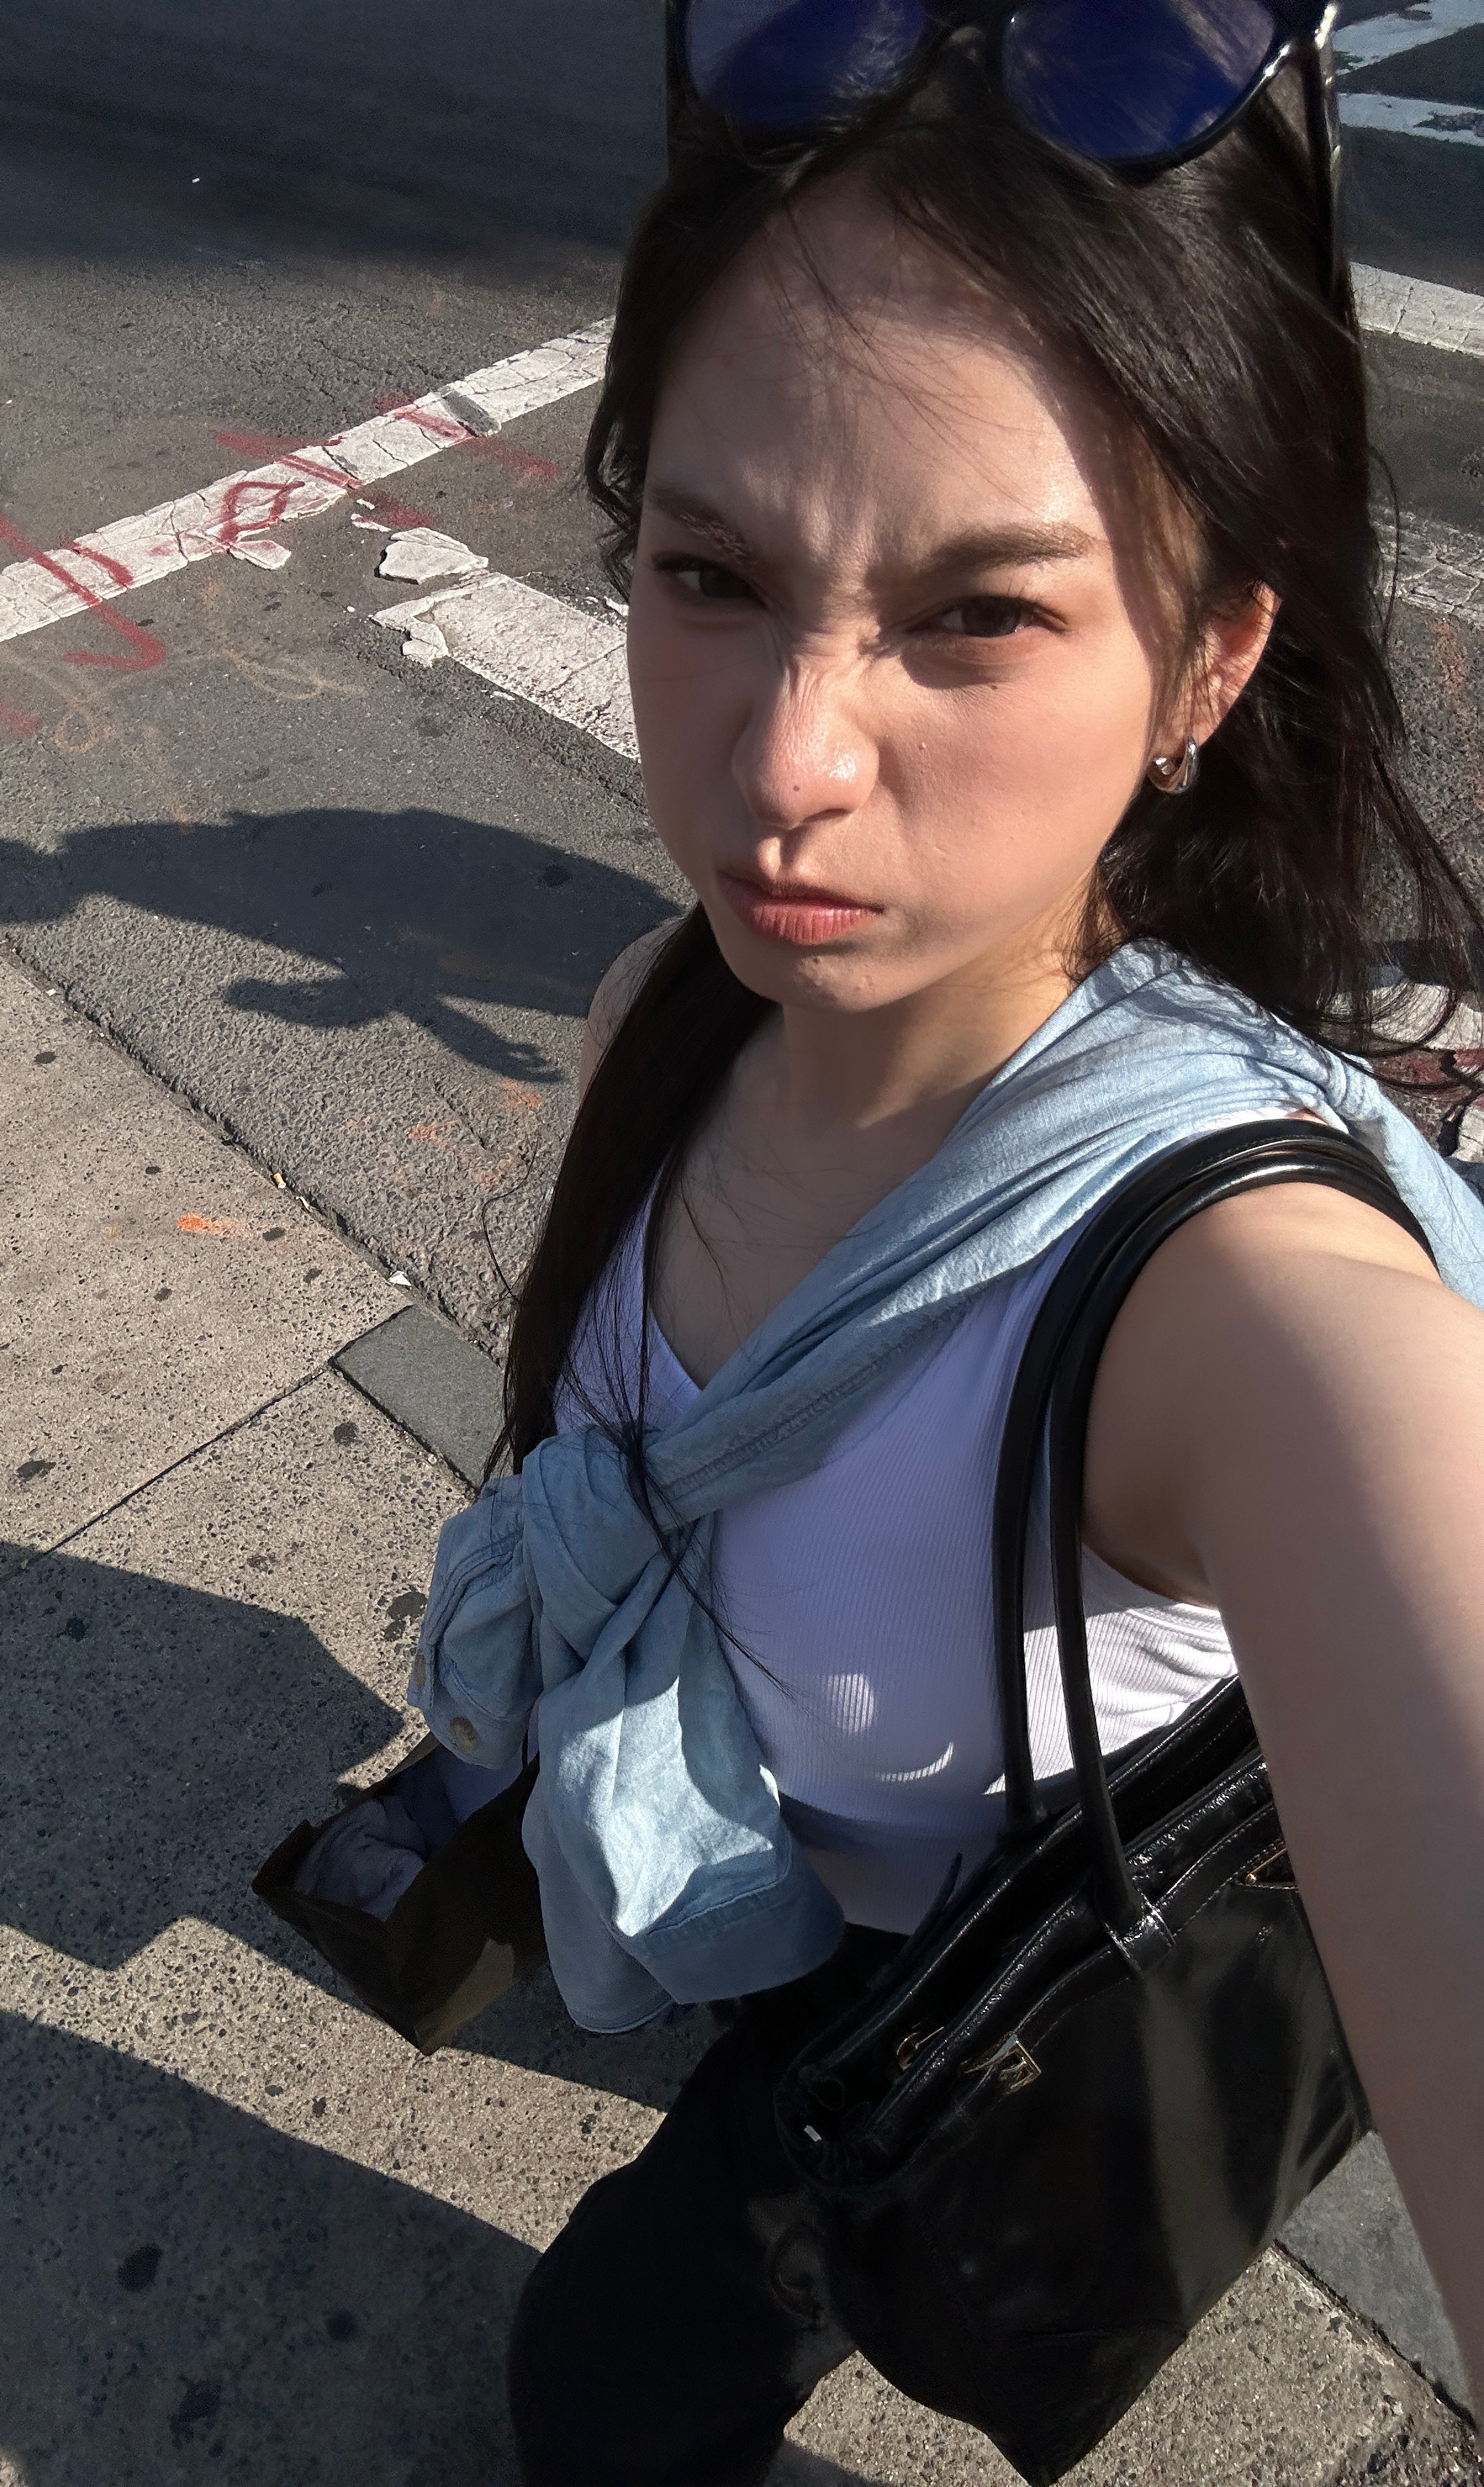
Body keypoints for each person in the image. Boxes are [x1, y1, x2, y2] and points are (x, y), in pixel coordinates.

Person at [408, 6, 1484, 2479]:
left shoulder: (1246, 1321)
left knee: (608, 2380)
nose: (785, 765)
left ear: (1211, 659)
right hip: (729, 1849)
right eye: (711, 573)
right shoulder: (668, 1006)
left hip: (947, 1995)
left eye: (979, 616)